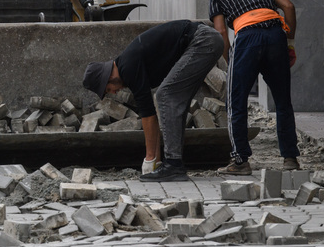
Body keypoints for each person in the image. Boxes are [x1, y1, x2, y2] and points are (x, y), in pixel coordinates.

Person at [83, 20, 224, 182]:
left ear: (108, 77)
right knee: (176, 99)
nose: (114, 92)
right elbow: (151, 117)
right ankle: (173, 164)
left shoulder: (128, 67)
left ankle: (173, 165)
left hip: (202, 41)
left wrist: (149, 159)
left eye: (109, 89)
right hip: (206, 40)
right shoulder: (128, 64)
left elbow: (148, 116)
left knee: (165, 94)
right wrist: (155, 161)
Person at [208, 0, 299, 175]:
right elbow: (288, 6)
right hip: (276, 34)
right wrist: (290, 43)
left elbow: (221, 31)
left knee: (235, 103)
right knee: (283, 101)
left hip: (247, 37)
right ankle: (290, 159)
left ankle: (240, 162)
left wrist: (230, 61)